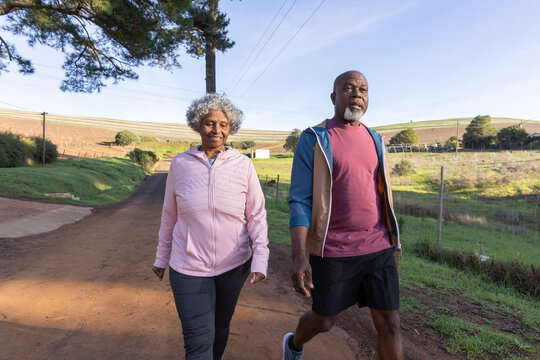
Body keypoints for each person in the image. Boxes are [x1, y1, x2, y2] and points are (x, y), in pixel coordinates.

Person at [282, 71, 403, 360]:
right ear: (334, 97)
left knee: (390, 325)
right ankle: (294, 344)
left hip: (378, 246)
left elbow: (383, 193)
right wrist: (299, 256)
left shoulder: (376, 140)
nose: (357, 93)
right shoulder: (315, 138)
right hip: (332, 250)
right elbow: (300, 200)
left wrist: (394, 240)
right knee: (324, 321)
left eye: (363, 89)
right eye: (348, 88)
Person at [152, 94, 269, 360]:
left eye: (223, 124)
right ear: (197, 125)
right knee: (197, 342)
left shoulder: (244, 165)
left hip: (234, 265)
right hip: (188, 266)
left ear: (231, 128)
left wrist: (260, 258)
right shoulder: (180, 164)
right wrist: (162, 256)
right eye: (209, 123)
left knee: (220, 328)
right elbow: (169, 215)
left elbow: (258, 215)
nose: (216, 130)